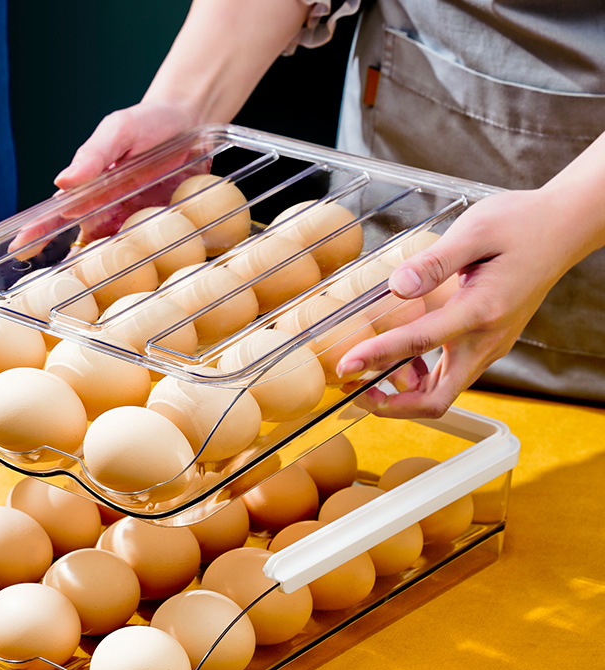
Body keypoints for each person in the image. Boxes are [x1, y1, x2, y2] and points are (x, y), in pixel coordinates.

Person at [52, 0, 605, 419]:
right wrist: (187, 103)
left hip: (590, 367)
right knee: (345, 358)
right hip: (374, 318)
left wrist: (563, 218)